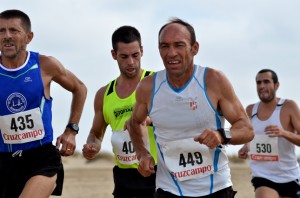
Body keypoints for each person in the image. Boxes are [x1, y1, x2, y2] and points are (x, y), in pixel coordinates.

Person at [128, 17, 254, 198]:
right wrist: (142, 154)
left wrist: (221, 135)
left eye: (179, 45)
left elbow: (246, 128)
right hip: (169, 189)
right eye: (164, 46)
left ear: (194, 48)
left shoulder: (213, 80)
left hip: (216, 188)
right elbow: (134, 123)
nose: (171, 53)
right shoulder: (148, 87)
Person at [0, 9, 87, 198]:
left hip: (41, 158)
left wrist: (71, 130)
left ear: (29, 37)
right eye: (1, 31)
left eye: (14, 30)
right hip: (3, 159)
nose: (6, 36)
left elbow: (80, 88)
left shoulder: (45, 65)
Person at [82, 25, 157, 198]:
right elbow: (96, 132)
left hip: (157, 172)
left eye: (135, 55)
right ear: (114, 55)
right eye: (124, 56)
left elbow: (177, 119)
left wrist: (147, 121)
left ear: (142, 51)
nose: (131, 62)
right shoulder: (104, 94)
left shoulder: (156, 82)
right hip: (124, 177)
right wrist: (92, 145)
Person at [238, 69, 300, 198]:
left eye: (266, 82)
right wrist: (246, 146)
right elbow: (250, 137)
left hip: (289, 176)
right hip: (262, 176)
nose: (261, 86)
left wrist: (283, 133)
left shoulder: (288, 106)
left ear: (276, 85)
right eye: (258, 82)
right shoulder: (250, 110)